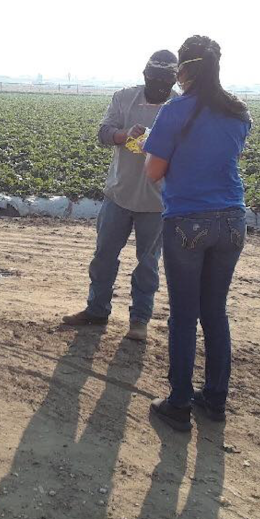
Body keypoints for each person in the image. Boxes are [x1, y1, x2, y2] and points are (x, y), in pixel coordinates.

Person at [142, 35, 252, 431]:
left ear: (184, 69)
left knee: (184, 317)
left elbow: (153, 171)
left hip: (188, 221)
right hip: (233, 222)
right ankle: (216, 399)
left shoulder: (176, 110)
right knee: (215, 312)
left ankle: (178, 403)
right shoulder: (239, 111)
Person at [62, 50, 178, 341]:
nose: (161, 86)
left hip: (157, 201)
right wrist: (124, 135)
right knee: (103, 257)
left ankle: (139, 321)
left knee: (147, 264)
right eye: (155, 80)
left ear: (174, 80)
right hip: (119, 194)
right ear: (145, 76)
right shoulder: (124, 98)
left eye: (167, 82)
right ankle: (97, 310)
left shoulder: (179, 106)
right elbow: (103, 133)